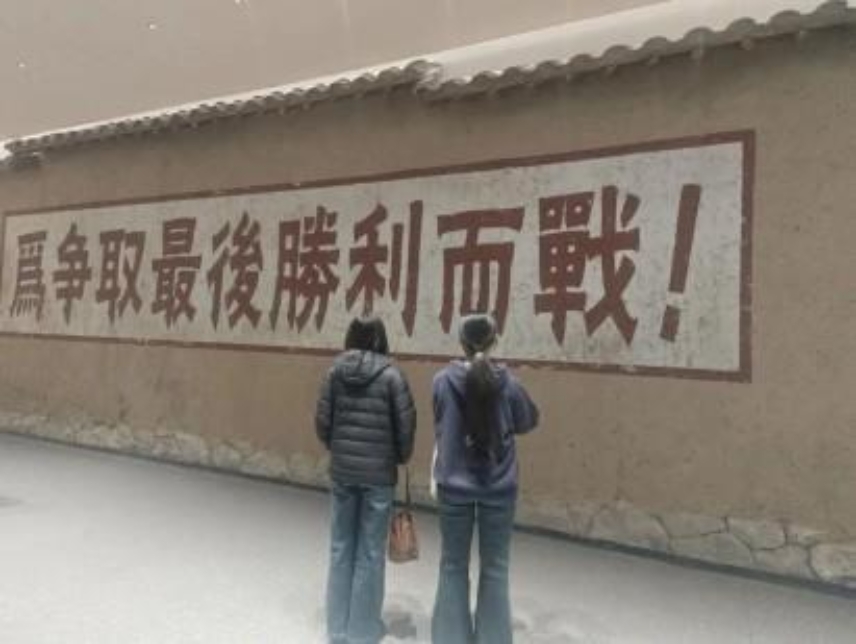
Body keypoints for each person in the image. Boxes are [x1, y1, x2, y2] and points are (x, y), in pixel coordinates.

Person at [431, 313, 539, 644]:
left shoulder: (442, 381)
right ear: (494, 342)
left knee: (452, 565)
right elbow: (528, 420)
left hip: (453, 486)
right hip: (499, 487)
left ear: (461, 343)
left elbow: (440, 420)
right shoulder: (509, 384)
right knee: (495, 569)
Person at [316, 315, 417, 644]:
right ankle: (362, 631)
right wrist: (398, 456)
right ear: (381, 339)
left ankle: (337, 628)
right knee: (370, 552)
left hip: (343, 473)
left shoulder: (334, 373)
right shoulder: (392, 376)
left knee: (340, 548)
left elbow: (322, 424)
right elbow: (406, 429)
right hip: (378, 477)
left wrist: (339, 449)